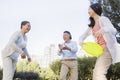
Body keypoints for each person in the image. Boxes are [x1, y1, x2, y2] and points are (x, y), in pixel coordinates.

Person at [79, 3, 120, 80]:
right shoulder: (92, 26)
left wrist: (104, 29)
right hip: (101, 52)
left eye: (89, 9)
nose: (88, 11)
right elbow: (82, 36)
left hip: (108, 50)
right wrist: (81, 42)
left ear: (95, 9)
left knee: (98, 74)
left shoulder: (103, 19)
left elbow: (114, 30)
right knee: (96, 74)